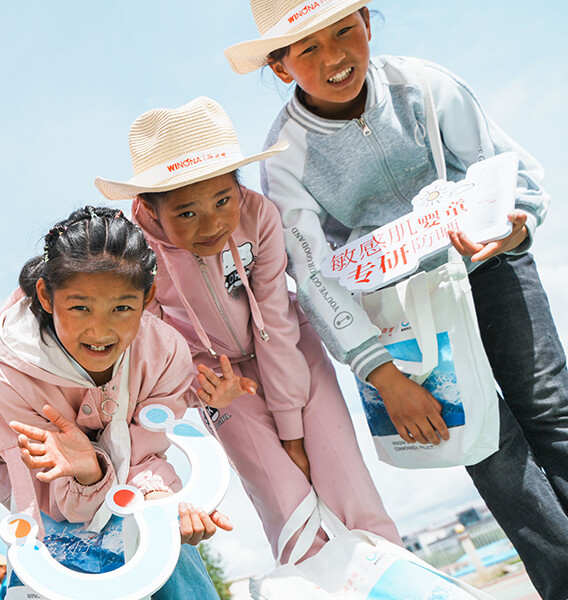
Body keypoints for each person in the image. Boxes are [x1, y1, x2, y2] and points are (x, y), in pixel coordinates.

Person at [224, 2, 568, 598]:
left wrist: (512, 226)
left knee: (551, 407)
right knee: (484, 444)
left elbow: (507, 170)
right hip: (403, 312)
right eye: (308, 48)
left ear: (367, 23)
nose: (335, 56)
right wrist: (381, 372)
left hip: (489, 262)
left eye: (345, 31)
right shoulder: (285, 155)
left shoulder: (424, 85)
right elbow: (312, 276)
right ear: (281, 67)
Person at [95, 97, 400, 561]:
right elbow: (152, 352)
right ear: (150, 209)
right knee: (287, 506)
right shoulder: (133, 257)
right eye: (187, 213)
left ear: (238, 185)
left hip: (292, 349)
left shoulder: (259, 216)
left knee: (350, 487)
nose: (213, 223)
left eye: (223, 200)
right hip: (215, 382)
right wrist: (199, 387)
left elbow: (274, 316)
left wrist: (292, 431)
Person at [0, 206, 246, 600]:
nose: (100, 330)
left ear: (147, 297)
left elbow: (146, 451)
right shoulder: (13, 380)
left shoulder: (163, 352)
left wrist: (160, 500)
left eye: (121, 308)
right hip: (52, 509)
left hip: (135, 482)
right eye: (80, 307)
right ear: (46, 296)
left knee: (165, 544)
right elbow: (59, 500)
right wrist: (87, 473)